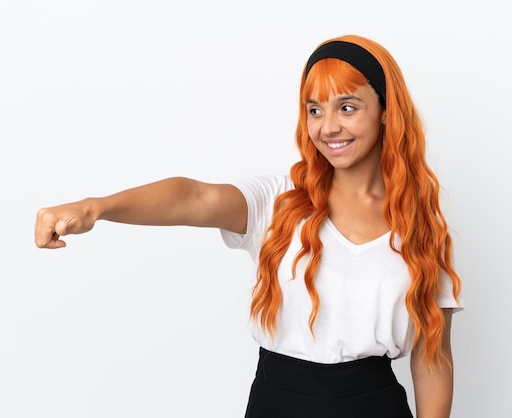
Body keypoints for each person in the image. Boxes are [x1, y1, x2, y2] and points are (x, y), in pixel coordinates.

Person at [35, 34, 463, 418]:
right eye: (314, 110)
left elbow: (432, 359)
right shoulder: (279, 203)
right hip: (277, 404)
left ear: (387, 111)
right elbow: (194, 197)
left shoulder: (420, 225)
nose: (328, 126)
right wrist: (95, 208)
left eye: (347, 107)